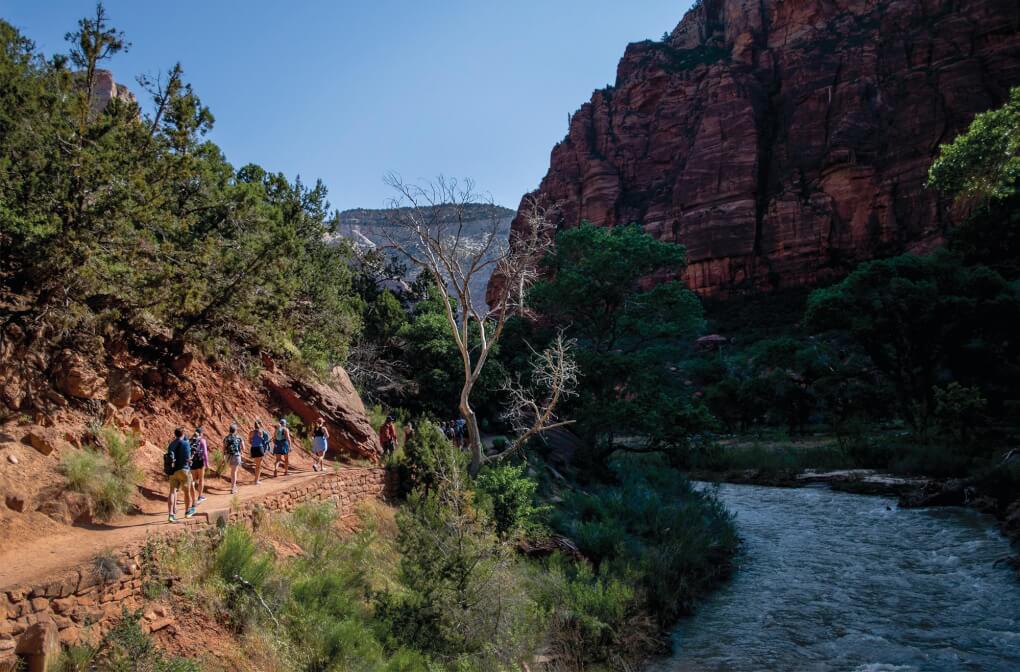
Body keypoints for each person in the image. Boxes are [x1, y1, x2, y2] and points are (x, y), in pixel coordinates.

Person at [165, 428, 194, 523]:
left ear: (175, 434)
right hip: (184, 470)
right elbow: (188, 458)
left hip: (173, 471)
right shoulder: (185, 443)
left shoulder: (171, 444)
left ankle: (171, 515)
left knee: (172, 492)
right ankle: (187, 512)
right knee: (187, 492)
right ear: (183, 434)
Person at [190, 427, 209, 504]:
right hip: (200, 462)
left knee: (193, 480)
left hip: (192, 463)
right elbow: (205, 453)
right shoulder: (202, 440)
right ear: (201, 434)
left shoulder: (190, 440)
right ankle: (200, 496)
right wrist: (207, 464)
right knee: (201, 479)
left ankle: (191, 496)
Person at [223, 423, 243, 494]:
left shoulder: (226, 438)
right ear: (236, 430)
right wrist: (241, 452)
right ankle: (233, 488)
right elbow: (243, 447)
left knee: (232, 471)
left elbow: (224, 448)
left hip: (228, 456)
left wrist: (223, 456)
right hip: (236, 455)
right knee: (234, 472)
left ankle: (233, 486)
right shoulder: (239, 437)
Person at [250, 419, 267, 485]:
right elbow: (263, 440)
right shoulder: (261, 432)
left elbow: (249, 440)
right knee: (259, 466)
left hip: (253, 448)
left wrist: (253, 443)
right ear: (259, 425)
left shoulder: (251, 432)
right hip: (259, 448)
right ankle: (256, 480)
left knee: (256, 464)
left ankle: (256, 479)